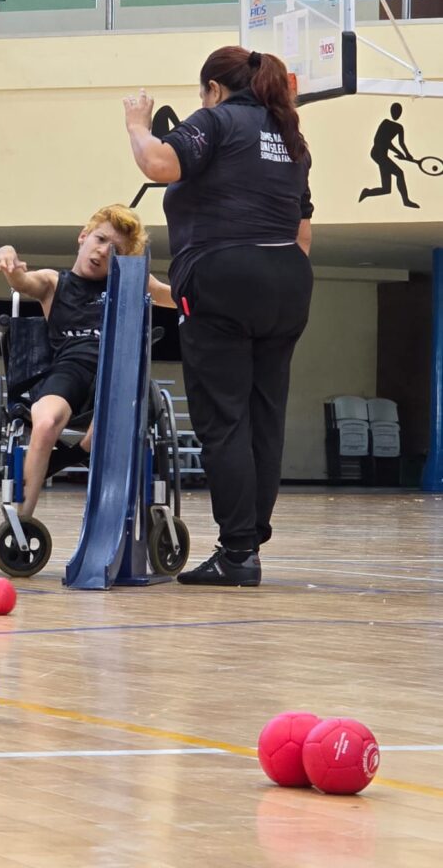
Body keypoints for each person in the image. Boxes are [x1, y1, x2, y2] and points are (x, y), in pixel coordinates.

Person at [124, 46, 314, 587]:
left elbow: (159, 163)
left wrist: (138, 125)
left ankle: (237, 552)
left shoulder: (217, 119)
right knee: (264, 416)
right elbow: (302, 232)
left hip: (225, 275)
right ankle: (249, 538)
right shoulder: (292, 139)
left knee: (224, 419)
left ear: (213, 88)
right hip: (288, 281)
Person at [0, 204, 175, 523]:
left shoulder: (130, 282)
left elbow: (174, 296)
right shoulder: (54, 283)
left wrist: (204, 281)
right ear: (83, 237)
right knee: (44, 422)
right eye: (100, 239)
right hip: (70, 368)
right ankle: (22, 522)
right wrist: (7, 254)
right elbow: (22, 282)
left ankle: (77, 452)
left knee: (121, 406)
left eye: (116, 250)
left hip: (117, 370)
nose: (103, 251)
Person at [359, 103, 419, 208]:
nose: (396, 114)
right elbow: (382, 141)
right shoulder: (385, 123)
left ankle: (367, 192)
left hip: (383, 156)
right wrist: (399, 153)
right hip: (377, 154)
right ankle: (406, 201)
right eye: (395, 111)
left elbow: (402, 143)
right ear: (391, 111)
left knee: (386, 189)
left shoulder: (399, 127)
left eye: (398, 112)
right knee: (400, 173)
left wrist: (408, 155)